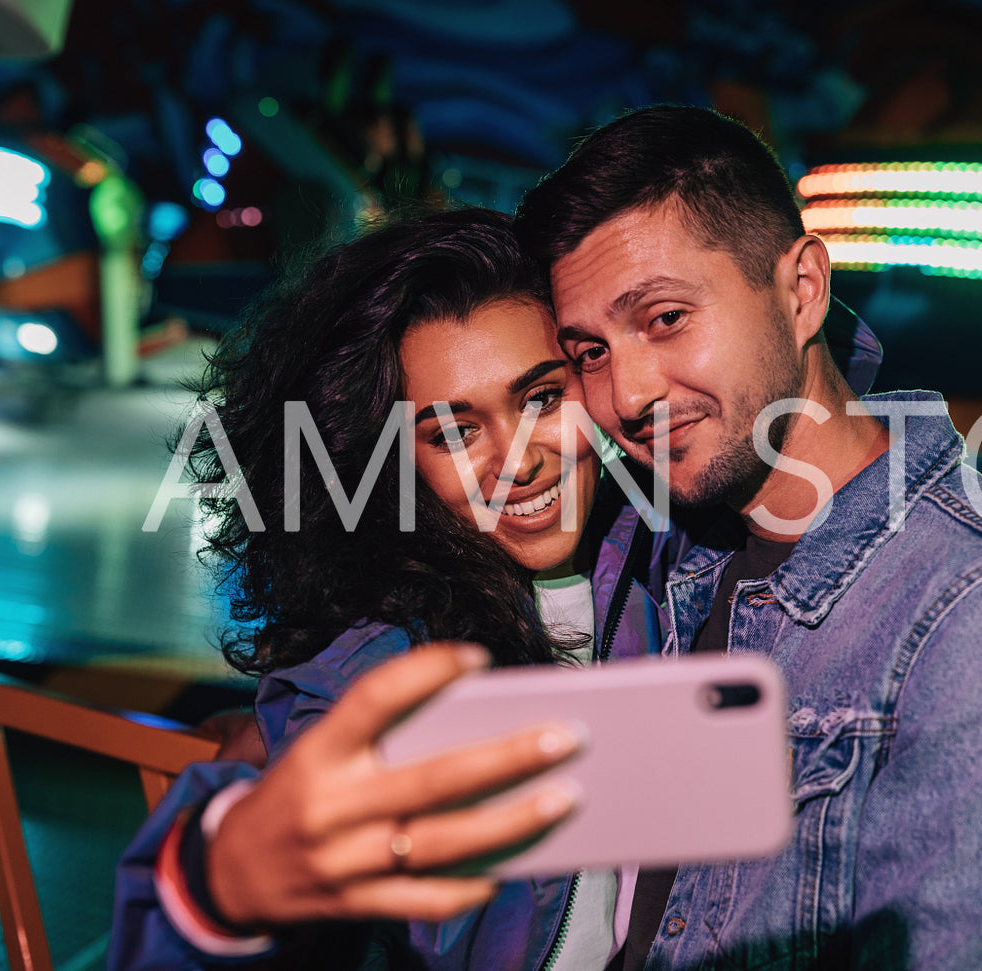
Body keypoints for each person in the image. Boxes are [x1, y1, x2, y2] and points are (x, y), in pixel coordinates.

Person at [111, 203, 884, 970]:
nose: (517, 460)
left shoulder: (665, 549)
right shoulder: (380, 669)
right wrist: (217, 890)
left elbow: (810, 400)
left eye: (542, 397)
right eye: (454, 430)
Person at [511, 104, 982, 969]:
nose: (626, 393)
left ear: (802, 289)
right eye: (589, 351)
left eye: (664, 319)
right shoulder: (664, 552)